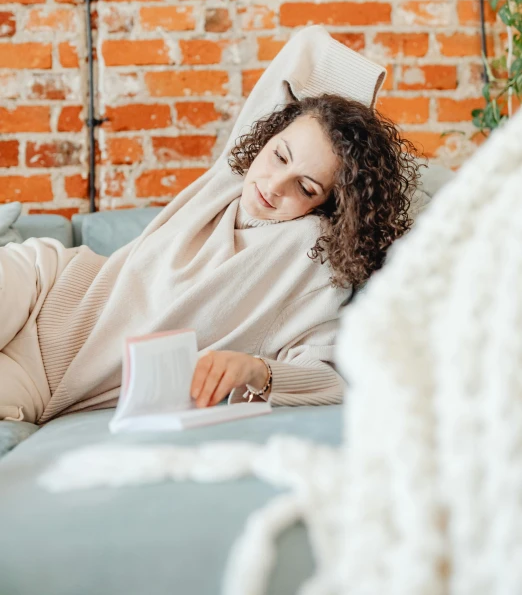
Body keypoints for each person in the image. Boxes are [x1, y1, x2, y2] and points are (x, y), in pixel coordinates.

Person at [0, 26, 420, 425]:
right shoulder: (231, 180)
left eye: (306, 186)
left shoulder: (315, 255)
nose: (273, 185)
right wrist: (341, 118)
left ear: (332, 204)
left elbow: (327, 378)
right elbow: (306, 45)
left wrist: (258, 371)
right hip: (43, 281)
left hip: (42, 381)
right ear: (269, 139)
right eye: (279, 155)